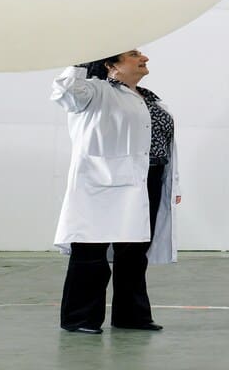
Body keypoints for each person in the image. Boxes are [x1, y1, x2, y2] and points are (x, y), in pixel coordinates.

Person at [51, 50, 181, 334]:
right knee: (90, 250)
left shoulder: (150, 98)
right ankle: (79, 318)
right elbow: (64, 92)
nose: (144, 56)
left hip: (148, 179)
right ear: (111, 65)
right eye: (133, 54)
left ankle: (132, 316)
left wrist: (174, 184)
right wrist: (82, 58)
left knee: (134, 254)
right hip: (101, 183)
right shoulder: (94, 91)